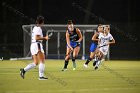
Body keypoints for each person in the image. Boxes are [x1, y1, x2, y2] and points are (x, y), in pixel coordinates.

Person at [20, 15, 50, 80]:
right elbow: (37, 38)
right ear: (42, 22)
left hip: (33, 45)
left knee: (36, 62)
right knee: (42, 61)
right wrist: (45, 37)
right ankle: (41, 76)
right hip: (37, 45)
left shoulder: (35, 27)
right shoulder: (38, 28)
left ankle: (23, 70)